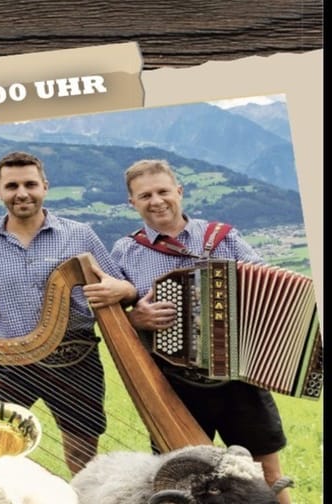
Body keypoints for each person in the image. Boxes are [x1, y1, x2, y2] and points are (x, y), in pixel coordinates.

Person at [109, 159, 291, 504]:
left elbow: (270, 285)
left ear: (179, 191)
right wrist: (136, 319)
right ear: (132, 202)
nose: (156, 201)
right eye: (145, 195)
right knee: (181, 479)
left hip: (238, 376)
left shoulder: (223, 238)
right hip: (173, 383)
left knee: (265, 471)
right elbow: (115, 316)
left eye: (163, 191)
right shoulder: (126, 251)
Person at [0, 151, 135, 475]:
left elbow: (118, 286)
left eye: (30, 184)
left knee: (81, 460)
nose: (22, 193)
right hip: (6, 358)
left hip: (74, 357)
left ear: (44, 186)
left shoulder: (80, 234)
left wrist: (126, 290)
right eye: (12, 186)